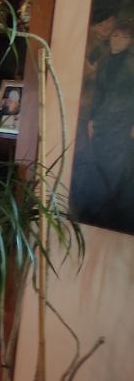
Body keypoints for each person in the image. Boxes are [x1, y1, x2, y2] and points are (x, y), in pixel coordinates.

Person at [71, 19, 134, 232]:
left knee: (115, 167)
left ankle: (108, 213)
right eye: (115, 35)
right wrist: (91, 119)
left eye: (125, 37)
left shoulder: (131, 63)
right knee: (95, 162)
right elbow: (98, 92)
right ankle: (95, 212)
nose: (119, 40)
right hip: (102, 120)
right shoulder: (105, 61)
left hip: (123, 121)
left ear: (130, 41)